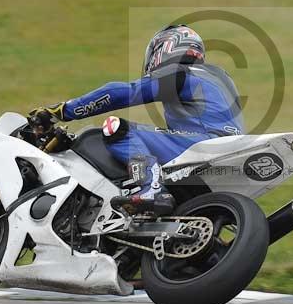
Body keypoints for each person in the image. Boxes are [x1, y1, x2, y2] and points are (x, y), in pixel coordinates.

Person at [29, 24, 244, 214]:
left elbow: (121, 93)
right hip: (227, 149)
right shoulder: (220, 78)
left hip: (203, 144)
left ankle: (150, 188)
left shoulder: (182, 73)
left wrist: (62, 111)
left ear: (165, 49)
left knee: (118, 128)